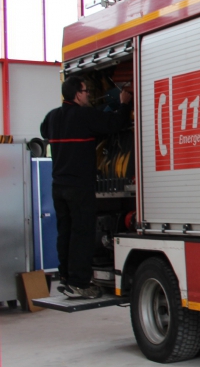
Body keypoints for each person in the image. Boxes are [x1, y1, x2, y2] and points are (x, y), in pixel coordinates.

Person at [40, 76, 132, 299]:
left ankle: (66, 277)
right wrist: (124, 103)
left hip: (58, 186)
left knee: (66, 233)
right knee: (82, 234)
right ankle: (80, 284)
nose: (89, 95)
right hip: (79, 187)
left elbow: (44, 132)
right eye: (86, 91)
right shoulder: (84, 116)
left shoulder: (52, 117)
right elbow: (113, 124)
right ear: (77, 94)